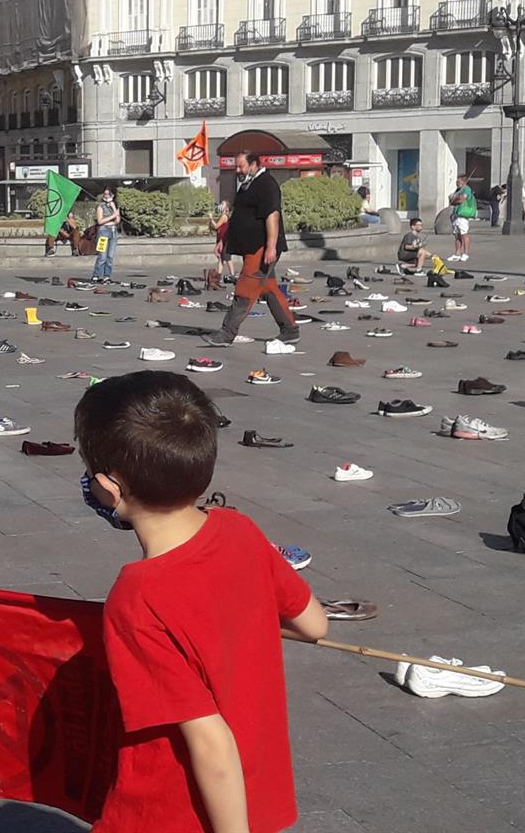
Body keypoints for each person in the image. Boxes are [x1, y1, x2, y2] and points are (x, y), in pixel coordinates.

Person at [75, 371, 327, 833]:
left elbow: (211, 743)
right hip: (254, 796)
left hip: (176, 811)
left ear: (110, 487)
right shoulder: (239, 529)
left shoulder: (137, 598)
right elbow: (314, 625)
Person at [206, 152, 299, 347]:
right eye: (236, 167)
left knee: (245, 288)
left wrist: (271, 247)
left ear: (254, 164)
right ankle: (290, 330)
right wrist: (224, 240)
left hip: (262, 247)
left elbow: (272, 216)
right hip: (252, 247)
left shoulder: (267, 184)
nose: (237, 171)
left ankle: (227, 333)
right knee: (269, 289)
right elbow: (237, 216)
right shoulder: (247, 185)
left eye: (241, 167)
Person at [91, 187, 121, 280]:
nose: (106, 196)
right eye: (105, 194)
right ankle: (97, 275)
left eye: (108, 194)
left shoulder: (115, 206)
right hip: (103, 231)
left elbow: (117, 220)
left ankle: (106, 276)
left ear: (113, 195)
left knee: (110, 256)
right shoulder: (101, 206)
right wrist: (112, 216)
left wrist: (113, 207)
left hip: (113, 231)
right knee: (102, 256)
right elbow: (100, 221)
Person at [446, 174, 476, 262]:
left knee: (464, 234)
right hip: (456, 214)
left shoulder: (466, 189)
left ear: (463, 181)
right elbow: (452, 199)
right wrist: (454, 199)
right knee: (457, 235)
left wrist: (453, 199)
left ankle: (465, 253)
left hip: (463, 214)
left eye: (458, 181)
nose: (456, 182)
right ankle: (457, 253)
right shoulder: (458, 190)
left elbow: (460, 200)